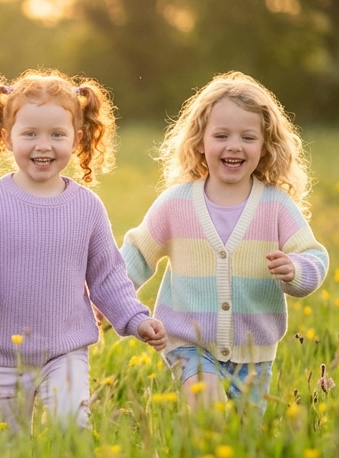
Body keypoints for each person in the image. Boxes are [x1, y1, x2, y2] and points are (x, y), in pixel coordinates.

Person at [0, 70, 166, 435]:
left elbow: (108, 276)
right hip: (0, 354)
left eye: (57, 134)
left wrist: (136, 319)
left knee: (70, 427)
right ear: (7, 138)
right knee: (6, 447)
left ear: (77, 138)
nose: (44, 145)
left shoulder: (86, 207)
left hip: (66, 348)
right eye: (30, 134)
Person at [122, 71, 327, 412]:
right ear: (200, 142)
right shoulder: (177, 203)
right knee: (207, 413)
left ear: (265, 147)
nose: (234, 145)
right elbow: (137, 253)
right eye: (221, 135)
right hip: (190, 344)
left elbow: (314, 256)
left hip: (255, 352)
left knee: (247, 442)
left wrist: (296, 270)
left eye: (248, 137)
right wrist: (110, 297)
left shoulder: (276, 205)